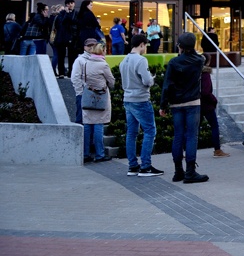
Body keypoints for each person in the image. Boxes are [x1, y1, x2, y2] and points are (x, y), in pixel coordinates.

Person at [159, 32, 210, 183]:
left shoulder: (174, 63)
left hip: (176, 103)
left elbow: (166, 85)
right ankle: (190, 172)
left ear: (180, 46)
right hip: (193, 102)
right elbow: (200, 56)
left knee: (178, 136)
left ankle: (178, 171)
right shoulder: (198, 61)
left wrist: (163, 105)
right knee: (192, 136)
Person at [121, 34, 163, 176]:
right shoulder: (141, 60)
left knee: (131, 133)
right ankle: (146, 166)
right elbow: (146, 81)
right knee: (150, 131)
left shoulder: (124, 60)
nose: (146, 48)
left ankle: (133, 166)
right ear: (141, 45)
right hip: (141, 99)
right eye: (145, 45)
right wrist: (152, 79)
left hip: (128, 99)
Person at [78, 38, 115, 163]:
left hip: (88, 95)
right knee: (99, 124)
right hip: (100, 96)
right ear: (102, 51)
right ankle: (99, 154)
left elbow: (82, 78)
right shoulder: (103, 65)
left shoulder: (86, 63)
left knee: (87, 124)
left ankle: (86, 153)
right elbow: (111, 81)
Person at [200, 60, 229, 158]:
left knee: (193, 129)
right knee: (214, 126)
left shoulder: (195, 72)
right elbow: (205, 92)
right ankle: (217, 150)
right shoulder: (205, 74)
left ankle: (183, 151)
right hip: (206, 105)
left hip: (196, 103)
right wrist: (214, 100)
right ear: (208, 62)